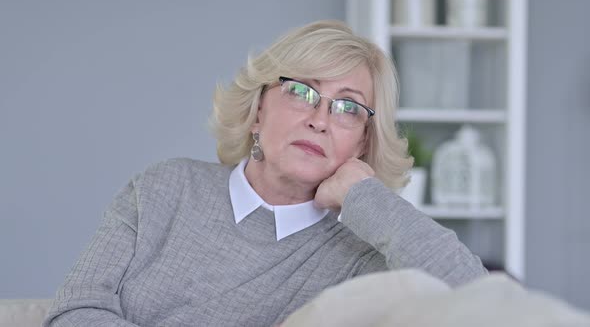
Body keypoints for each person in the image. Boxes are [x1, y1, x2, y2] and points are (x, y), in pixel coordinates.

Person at [43, 20, 487, 327]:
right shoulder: (162, 189)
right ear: (258, 109)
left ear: (363, 142)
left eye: (348, 107)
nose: (321, 119)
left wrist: (366, 197)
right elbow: (72, 312)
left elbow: (480, 302)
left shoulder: (361, 254)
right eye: (301, 90)